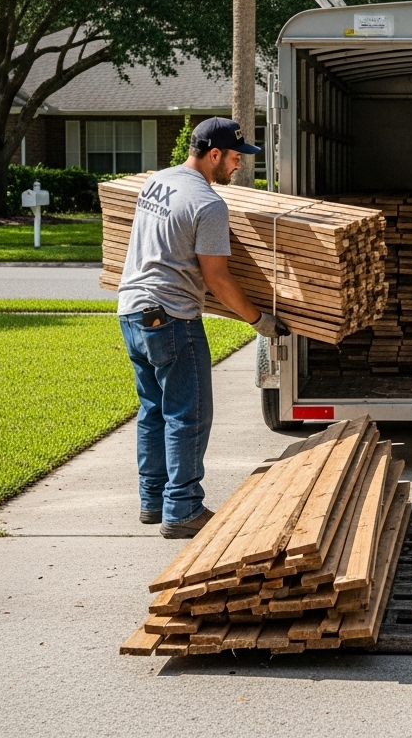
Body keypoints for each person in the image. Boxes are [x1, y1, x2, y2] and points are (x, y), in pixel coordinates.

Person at [117, 117, 289, 538]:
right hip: (172, 318)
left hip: (130, 312)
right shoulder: (209, 204)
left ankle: (153, 500)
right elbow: (217, 278)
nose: (238, 167)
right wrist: (259, 320)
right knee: (188, 416)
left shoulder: (159, 181)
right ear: (214, 154)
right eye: (234, 158)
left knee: (153, 410)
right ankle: (183, 511)